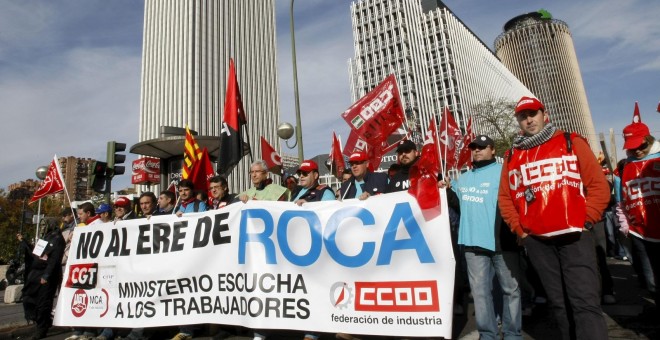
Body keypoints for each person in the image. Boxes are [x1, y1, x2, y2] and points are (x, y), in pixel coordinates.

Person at [498, 96, 610, 339]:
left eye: (533, 114)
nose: (529, 120)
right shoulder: (511, 156)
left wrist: (587, 220)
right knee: (559, 305)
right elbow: (506, 199)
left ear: (544, 114)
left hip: (575, 236)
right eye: (523, 116)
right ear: (518, 121)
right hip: (537, 241)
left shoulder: (571, 142)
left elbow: (599, 186)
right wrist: (521, 231)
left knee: (585, 303)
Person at [449, 135, 522, 339]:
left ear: (492, 150)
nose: (477, 150)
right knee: (480, 294)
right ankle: (487, 334)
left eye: (482, 147)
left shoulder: (504, 172)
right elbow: (456, 205)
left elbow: (518, 202)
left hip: (503, 241)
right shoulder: (463, 178)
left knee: (511, 290)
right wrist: (444, 190)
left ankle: (512, 334)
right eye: (474, 147)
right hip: (473, 243)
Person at [614, 120, 659, 307]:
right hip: (639, 231)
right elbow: (620, 201)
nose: (637, 151)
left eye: (641, 146)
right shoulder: (624, 169)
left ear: (648, 139)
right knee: (651, 280)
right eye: (632, 148)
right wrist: (625, 224)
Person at [20, 220, 65, 340]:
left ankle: (42, 327)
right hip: (35, 274)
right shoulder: (45, 237)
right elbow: (36, 253)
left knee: (43, 303)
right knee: (29, 298)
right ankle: (41, 321)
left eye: (44, 225)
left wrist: (46, 276)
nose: (42, 227)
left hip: (46, 275)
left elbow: (54, 260)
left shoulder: (57, 239)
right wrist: (25, 242)